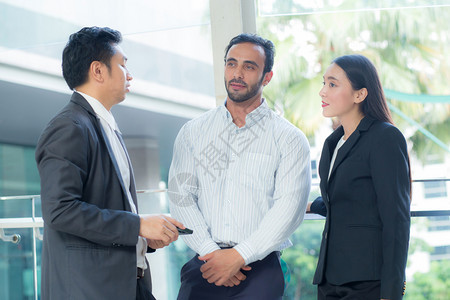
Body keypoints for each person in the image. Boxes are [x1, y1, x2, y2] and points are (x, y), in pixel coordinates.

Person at [35, 26, 185, 300]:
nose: (130, 75)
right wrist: (137, 225)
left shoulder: (105, 125)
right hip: (91, 288)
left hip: (128, 283)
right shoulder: (69, 126)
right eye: (122, 65)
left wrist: (144, 238)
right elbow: (60, 210)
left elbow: (108, 208)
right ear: (98, 71)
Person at [168, 33, 311, 300]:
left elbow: (288, 210)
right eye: (231, 63)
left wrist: (239, 255)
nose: (237, 73)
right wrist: (213, 254)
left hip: (259, 270)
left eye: (249, 66)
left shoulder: (289, 139)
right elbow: (181, 197)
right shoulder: (193, 132)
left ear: (267, 77)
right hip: (204, 262)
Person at [307, 54, 411, 300]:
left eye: (332, 84)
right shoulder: (333, 143)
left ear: (360, 94)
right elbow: (350, 199)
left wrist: (392, 291)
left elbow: (396, 219)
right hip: (329, 280)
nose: (322, 92)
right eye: (324, 83)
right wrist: (313, 204)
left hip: (368, 282)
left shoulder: (385, 137)